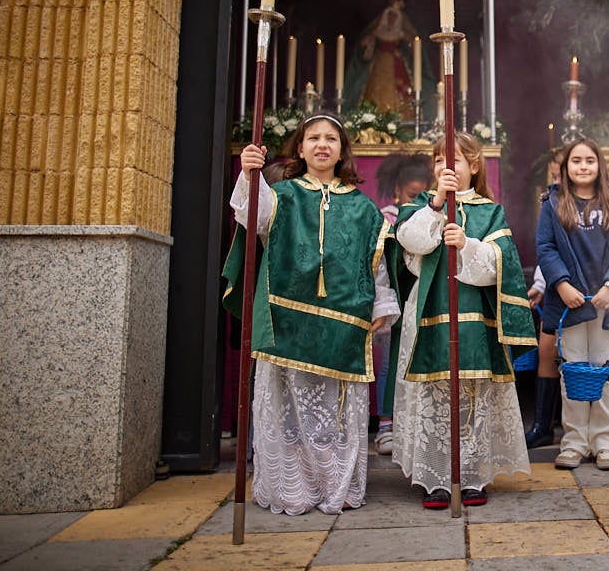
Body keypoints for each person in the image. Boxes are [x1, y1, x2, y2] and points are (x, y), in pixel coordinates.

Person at [222, 113, 398, 515]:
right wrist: (251, 175)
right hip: (289, 323)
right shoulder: (281, 194)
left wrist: (380, 306)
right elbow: (253, 217)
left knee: (335, 417)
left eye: (331, 139)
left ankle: (336, 486)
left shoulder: (363, 208)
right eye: (313, 138)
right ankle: (292, 490)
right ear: (299, 149)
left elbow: (376, 266)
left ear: (342, 151)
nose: (322, 145)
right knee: (286, 413)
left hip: (343, 327)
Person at [387, 132, 537, 508]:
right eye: (438, 160)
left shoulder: (490, 211)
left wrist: (467, 245)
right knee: (434, 396)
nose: (445, 166)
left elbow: (500, 267)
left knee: (472, 397)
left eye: (454, 159)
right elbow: (412, 244)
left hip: (475, 321)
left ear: (473, 166)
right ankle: (435, 477)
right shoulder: (421, 206)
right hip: (427, 319)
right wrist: (437, 205)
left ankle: (471, 477)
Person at [536, 138, 609, 471]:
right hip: (570, 304)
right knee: (573, 371)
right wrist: (562, 284)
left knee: (605, 371)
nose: (583, 166)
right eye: (576, 161)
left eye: (589, 160)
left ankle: (606, 442)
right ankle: (575, 441)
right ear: (566, 167)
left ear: (599, 165)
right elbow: (545, 247)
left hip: (605, 302)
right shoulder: (553, 203)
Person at [372, 153, 433, 457]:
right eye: (412, 194)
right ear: (397, 189)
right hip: (395, 295)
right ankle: (385, 423)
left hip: (421, 298)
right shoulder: (386, 218)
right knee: (389, 361)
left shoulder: (431, 212)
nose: (418, 199)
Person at [525, 147, 566, 449]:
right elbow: (546, 248)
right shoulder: (550, 201)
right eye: (553, 173)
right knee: (546, 351)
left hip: (583, 287)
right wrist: (540, 285)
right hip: (554, 286)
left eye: (559, 172)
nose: (556, 178)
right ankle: (543, 423)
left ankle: (580, 427)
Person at [347, 0, 419, 113]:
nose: (391, 19)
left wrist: (409, 41)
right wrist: (369, 40)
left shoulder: (400, 33)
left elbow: (414, 43)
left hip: (396, 61)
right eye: (390, 16)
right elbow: (363, 43)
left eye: (394, 16)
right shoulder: (378, 32)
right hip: (379, 61)